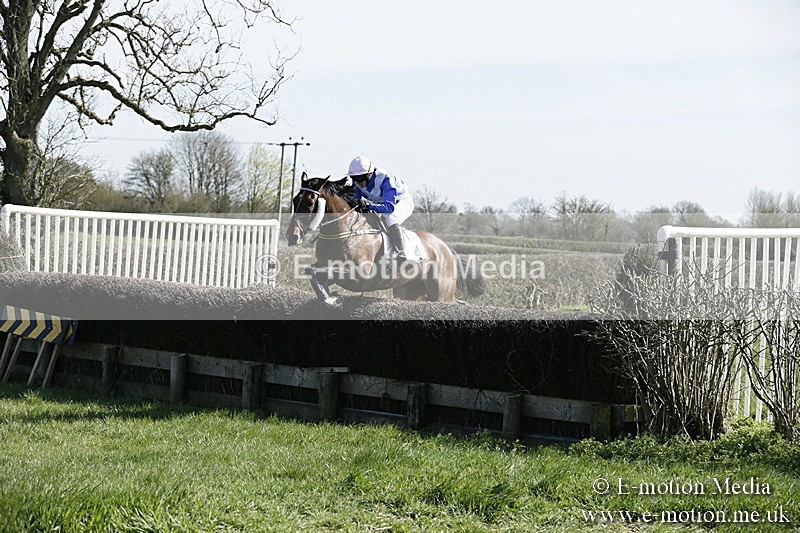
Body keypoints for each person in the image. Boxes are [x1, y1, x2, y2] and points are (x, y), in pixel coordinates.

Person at [346, 155, 414, 262]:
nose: (357, 182)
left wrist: (368, 205)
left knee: (390, 218)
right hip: (379, 203)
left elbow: (389, 208)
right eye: (354, 178)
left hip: (400, 202)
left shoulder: (385, 179)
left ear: (369, 174)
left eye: (359, 178)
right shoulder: (357, 183)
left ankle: (401, 253)